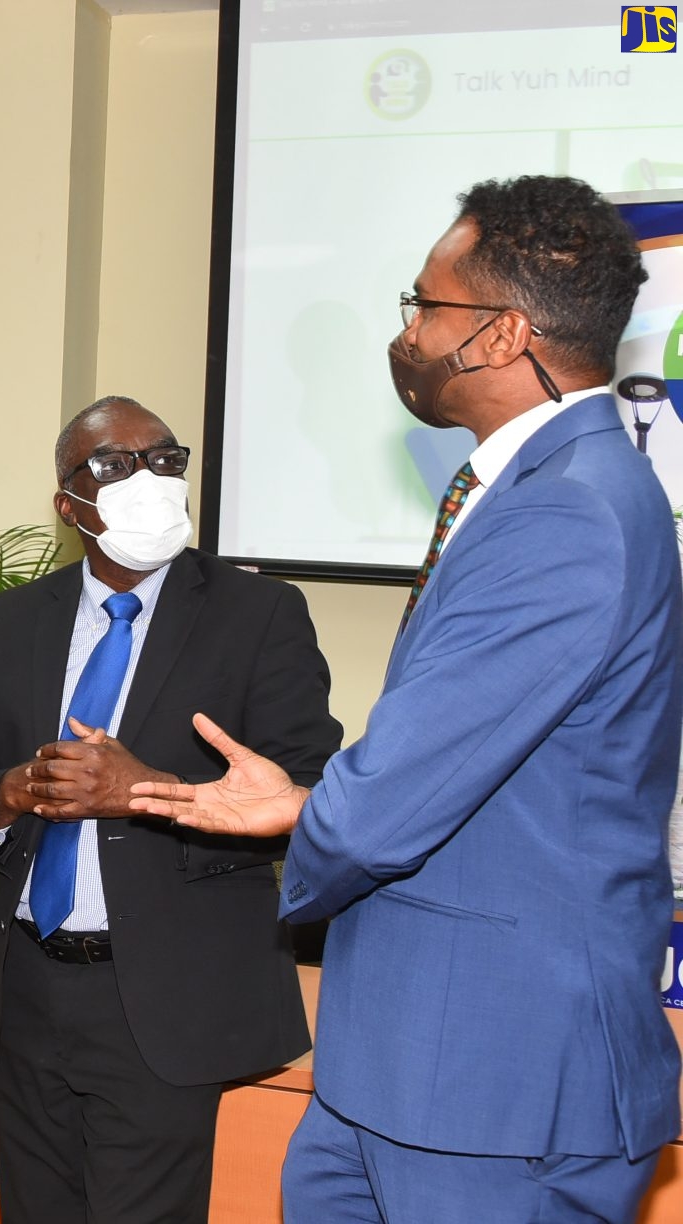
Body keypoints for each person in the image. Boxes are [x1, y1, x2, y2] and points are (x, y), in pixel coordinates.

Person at [131, 176, 682, 1222]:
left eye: (426, 307)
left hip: (492, 1081)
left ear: (500, 333)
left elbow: (398, 792)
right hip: (407, 1062)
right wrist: (313, 802)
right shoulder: (533, 488)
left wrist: (309, 811)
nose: (411, 333)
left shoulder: (564, 513)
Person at [0, 396, 339, 1223]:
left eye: (165, 459)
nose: (148, 478)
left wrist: (144, 791)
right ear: (68, 503)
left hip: (163, 998)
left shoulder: (259, 615)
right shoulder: (5, 626)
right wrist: (12, 792)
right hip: (28, 990)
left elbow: (308, 792)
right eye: (114, 464)